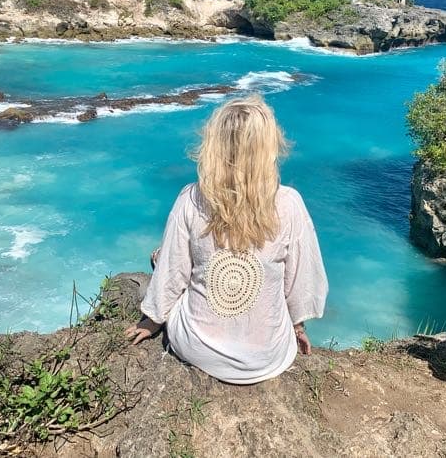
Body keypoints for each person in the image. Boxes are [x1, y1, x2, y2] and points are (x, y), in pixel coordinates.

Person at [124, 94, 328, 384]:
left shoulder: (191, 199)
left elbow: (173, 273)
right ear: (269, 148)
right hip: (267, 356)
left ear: (213, 146)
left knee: (162, 257)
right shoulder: (290, 204)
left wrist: (152, 320)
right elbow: (301, 280)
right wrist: (297, 326)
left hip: (198, 349)